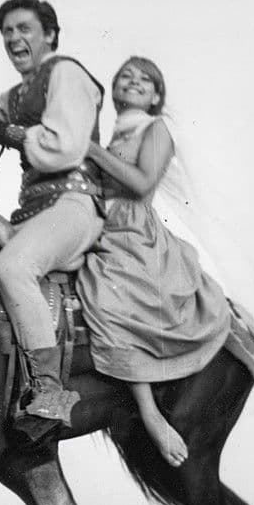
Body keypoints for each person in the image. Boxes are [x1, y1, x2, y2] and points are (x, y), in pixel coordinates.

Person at [0, 0, 105, 441]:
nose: (14, 38)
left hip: (73, 204)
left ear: (49, 34)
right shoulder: (16, 94)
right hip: (34, 214)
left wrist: (8, 133)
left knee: (13, 267)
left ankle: (50, 389)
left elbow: (65, 146)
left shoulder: (66, 73)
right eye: (7, 31)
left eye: (24, 28)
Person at [76, 57, 232, 466]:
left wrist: (90, 150)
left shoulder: (156, 128)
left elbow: (143, 184)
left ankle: (151, 414)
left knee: (110, 298)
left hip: (132, 231)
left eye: (144, 79)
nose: (133, 81)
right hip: (101, 224)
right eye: (125, 76)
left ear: (156, 95)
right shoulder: (114, 133)